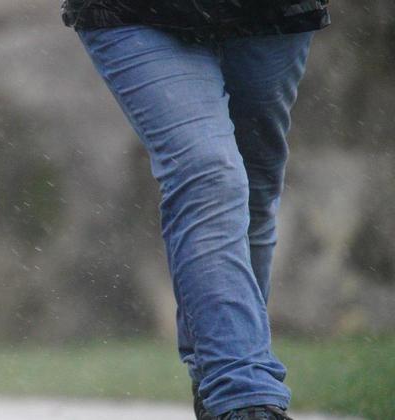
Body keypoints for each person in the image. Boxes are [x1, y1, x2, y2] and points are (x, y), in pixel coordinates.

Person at [61, 1, 330, 419]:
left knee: (253, 192)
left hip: (269, 12)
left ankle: (219, 369)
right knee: (207, 173)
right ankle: (243, 392)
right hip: (131, 11)